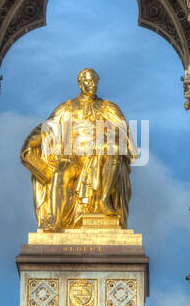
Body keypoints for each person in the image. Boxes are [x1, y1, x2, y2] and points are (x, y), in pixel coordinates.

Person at [20, 68, 136, 231]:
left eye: (95, 81)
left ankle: (104, 201)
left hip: (98, 153)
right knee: (60, 174)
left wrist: (105, 138)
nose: (92, 85)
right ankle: (54, 218)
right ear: (80, 84)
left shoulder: (108, 107)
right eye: (88, 81)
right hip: (72, 157)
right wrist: (29, 143)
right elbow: (46, 128)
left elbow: (122, 129)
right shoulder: (66, 108)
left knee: (115, 148)